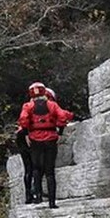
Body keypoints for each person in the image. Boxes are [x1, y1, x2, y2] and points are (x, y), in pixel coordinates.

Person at [18, 81, 74, 209]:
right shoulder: (52, 105)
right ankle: (52, 203)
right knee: (50, 172)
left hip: (35, 139)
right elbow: (63, 117)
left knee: (36, 168)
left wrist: (27, 134)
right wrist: (60, 132)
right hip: (50, 138)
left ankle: (37, 197)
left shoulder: (28, 106)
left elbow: (23, 119)